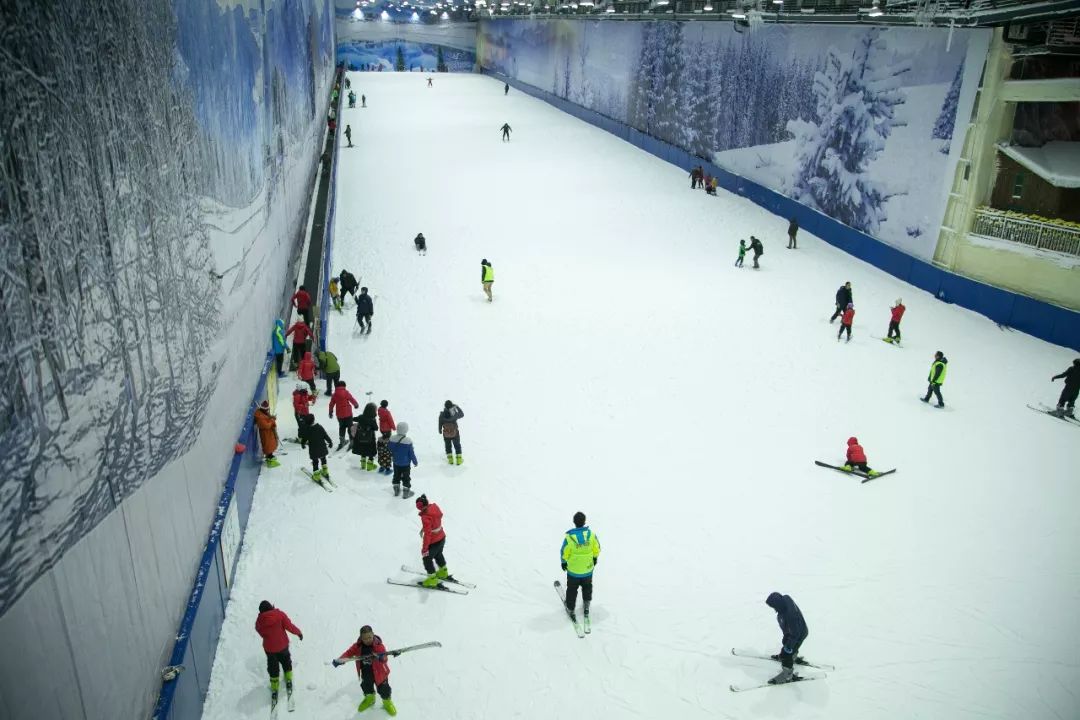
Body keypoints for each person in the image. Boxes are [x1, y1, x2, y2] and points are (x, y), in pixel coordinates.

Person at [331, 626, 397, 717]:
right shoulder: (357, 646)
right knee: (366, 686)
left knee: (384, 689)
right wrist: (340, 660)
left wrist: (381, 657)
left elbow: (385, 658)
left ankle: (387, 702)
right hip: (366, 672)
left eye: (369, 637)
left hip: (380, 673)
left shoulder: (379, 646)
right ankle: (370, 699)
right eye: (365, 638)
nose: (368, 640)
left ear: (373, 635)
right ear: (361, 638)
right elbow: (348, 653)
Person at [255, 600, 303, 712]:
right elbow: (289, 626)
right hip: (282, 646)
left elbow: (260, 631)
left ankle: (275, 685)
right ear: (271, 607)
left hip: (270, 649)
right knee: (286, 662)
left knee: (273, 667)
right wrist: (298, 632)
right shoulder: (279, 615)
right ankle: (289, 678)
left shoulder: (259, 621)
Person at [561, 511, 600, 623]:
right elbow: (597, 548)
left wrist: (563, 562)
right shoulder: (591, 535)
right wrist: (595, 557)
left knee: (572, 589)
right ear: (584, 522)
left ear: (574, 522)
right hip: (588, 569)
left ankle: (570, 608)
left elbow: (564, 552)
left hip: (573, 571)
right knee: (587, 586)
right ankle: (586, 604)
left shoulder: (569, 538)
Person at [764, 592, 808, 685]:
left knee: (787, 653)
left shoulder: (790, 615)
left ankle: (787, 675)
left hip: (798, 634)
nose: (773, 608)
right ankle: (793, 656)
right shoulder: (785, 599)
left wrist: (788, 648)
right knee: (787, 644)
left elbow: (795, 634)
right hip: (796, 631)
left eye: (773, 606)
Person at [416, 494, 450, 587]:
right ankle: (443, 572)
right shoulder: (434, 507)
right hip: (442, 537)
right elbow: (437, 517)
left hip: (434, 541)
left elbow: (428, 535)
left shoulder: (425, 517)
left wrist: (425, 549)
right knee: (438, 554)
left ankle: (432, 579)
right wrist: (425, 527)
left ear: (420, 507)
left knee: (427, 558)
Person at [299, 413, 334, 481]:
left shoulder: (308, 429)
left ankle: (317, 476)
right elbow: (325, 435)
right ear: (314, 420)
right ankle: (325, 471)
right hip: (322, 448)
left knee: (315, 462)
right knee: (323, 459)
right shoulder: (319, 427)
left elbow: (304, 438)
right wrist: (330, 442)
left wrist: (302, 444)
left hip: (314, 450)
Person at [388, 422, 418, 498]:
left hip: (396, 462)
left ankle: (396, 489)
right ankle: (406, 491)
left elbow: (389, 448)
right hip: (405, 464)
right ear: (405, 430)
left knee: (396, 475)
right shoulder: (408, 441)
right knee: (406, 477)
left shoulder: (392, 438)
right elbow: (411, 453)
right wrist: (415, 462)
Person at [329, 379, 359, 449]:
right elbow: (351, 399)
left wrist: (330, 412)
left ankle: (342, 441)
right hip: (348, 413)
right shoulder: (346, 392)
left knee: (342, 427)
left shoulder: (335, 394)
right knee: (350, 427)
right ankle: (352, 442)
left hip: (339, 414)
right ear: (344, 386)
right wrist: (356, 404)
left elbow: (331, 404)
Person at [351, 402, 379, 471]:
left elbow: (353, 419)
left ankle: (363, 465)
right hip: (370, 439)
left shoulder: (361, 417)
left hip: (360, 438)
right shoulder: (372, 419)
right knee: (370, 452)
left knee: (363, 451)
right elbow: (376, 428)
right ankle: (370, 467)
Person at [254, 400, 280, 468]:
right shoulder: (260, 417)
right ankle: (269, 459)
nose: (268, 410)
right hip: (266, 434)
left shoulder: (264, 413)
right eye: (267, 409)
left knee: (271, 445)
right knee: (268, 446)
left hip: (269, 433)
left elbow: (268, 420)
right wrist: (272, 420)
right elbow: (266, 425)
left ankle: (270, 456)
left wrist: (271, 418)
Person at [438, 400, 464, 465]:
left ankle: (450, 460)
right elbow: (462, 414)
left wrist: (440, 430)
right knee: (457, 445)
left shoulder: (442, 414)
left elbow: (440, 423)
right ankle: (459, 460)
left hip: (446, 434)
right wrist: (456, 407)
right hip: (455, 433)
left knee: (448, 446)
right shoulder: (454, 414)